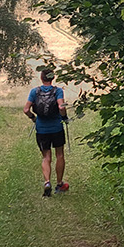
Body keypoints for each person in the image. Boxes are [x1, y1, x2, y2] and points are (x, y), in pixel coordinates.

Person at [24, 68, 69, 196]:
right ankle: (59, 184)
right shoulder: (58, 91)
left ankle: (47, 182)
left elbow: (26, 109)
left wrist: (33, 118)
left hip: (41, 129)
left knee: (46, 157)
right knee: (59, 155)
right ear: (53, 78)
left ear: (41, 78)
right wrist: (64, 117)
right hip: (56, 128)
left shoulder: (34, 91)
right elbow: (61, 107)